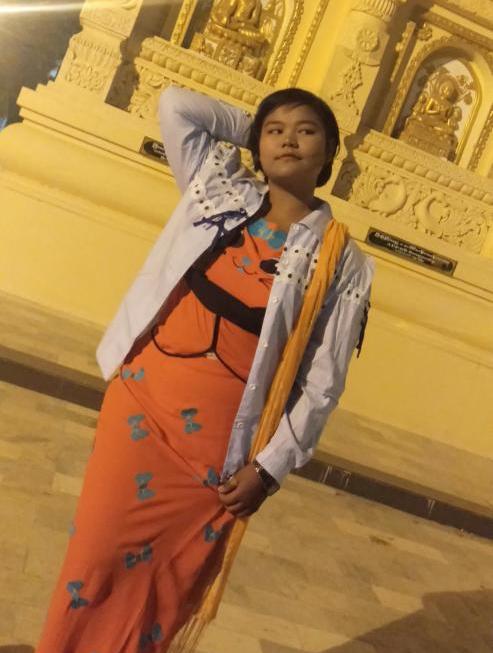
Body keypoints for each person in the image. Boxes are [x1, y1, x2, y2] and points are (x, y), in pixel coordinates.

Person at [35, 84, 374, 653]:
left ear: (330, 153)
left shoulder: (343, 262)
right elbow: (176, 106)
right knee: (93, 554)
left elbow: (322, 381)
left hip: (217, 446)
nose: (289, 140)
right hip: (143, 402)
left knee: (165, 584)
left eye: (306, 131)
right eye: (276, 130)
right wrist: (254, 130)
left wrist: (268, 469)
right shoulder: (219, 191)